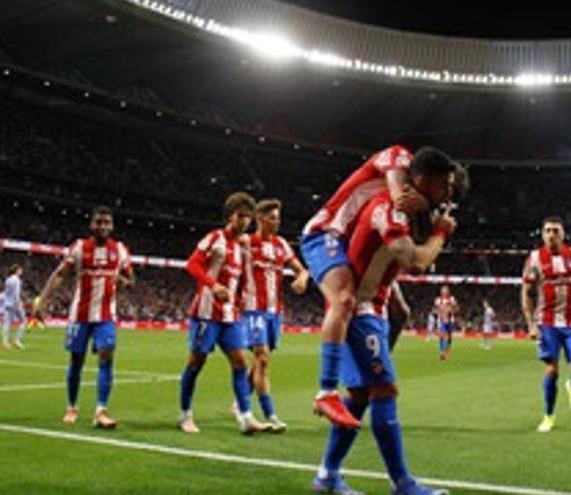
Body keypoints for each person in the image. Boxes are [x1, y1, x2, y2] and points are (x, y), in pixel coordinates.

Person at [312, 146, 457, 495]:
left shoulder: (406, 209)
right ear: (423, 180)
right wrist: (440, 233)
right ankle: (402, 483)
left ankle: (328, 476)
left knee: (362, 394)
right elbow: (416, 262)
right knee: (383, 388)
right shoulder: (389, 206)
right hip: (355, 293)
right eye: (445, 186)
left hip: (375, 302)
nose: (448, 195)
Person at [301, 145, 429, 429]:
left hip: (350, 245)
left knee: (401, 312)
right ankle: (326, 391)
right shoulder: (399, 157)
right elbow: (399, 197)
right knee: (345, 300)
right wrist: (418, 204)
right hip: (326, 234)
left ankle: (374, 367)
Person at [34, 206, 134, 428]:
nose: (103, 226)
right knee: (76, 361)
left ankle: (101, 410)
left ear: (112, 226)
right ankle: (72, 406)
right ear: (92, 225)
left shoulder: (120, 250)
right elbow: (60, 275)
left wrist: (124, 282)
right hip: (79, 316)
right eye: (99, 222)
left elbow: (131, 279)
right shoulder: (80, 248)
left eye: (107, 222)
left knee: (106, 357)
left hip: (106, 316)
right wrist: (43, 300)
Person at [177, 192, 267, 435]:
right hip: (206, 313)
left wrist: (239, 303)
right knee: (196, 363)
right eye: (241, 216)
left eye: (248, 218)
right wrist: (212, 284)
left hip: (230, 316)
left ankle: (246, 416)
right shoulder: (214, 238)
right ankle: (185, 414)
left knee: (240, 362)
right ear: (230, 216)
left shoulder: (242, 247)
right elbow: (192, 264)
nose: (245, 222)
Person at [240, 198, 310, 432]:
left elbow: (301, 269)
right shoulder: (247, 243)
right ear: (259, 219)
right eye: (272, 218)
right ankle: (270, 415)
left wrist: (301, 278)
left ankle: (240, 402)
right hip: (253, 310)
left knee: (259, 362)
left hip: (275, 312)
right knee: (263, 359)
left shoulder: (281, 245)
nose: (277, 222)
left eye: (278, 218)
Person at [521, 216, 571, 433]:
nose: (552, 234)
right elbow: (526, 292)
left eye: (556, 231)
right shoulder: (534, 259)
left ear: (563, 234)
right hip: (547, 323)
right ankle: (549, 416)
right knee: (551, 371)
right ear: (542, 234)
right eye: (548, 230)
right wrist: (531, 324)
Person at [0, 264, 26, 349]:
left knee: (6, 323)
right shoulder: (17, 280)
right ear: (17, 270)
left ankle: (5, 342)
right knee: (23, 321)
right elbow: (16, 293)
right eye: (20, 270)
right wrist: (18, 304)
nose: (21, 271)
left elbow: (6, 292)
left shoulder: (8, 279)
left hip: (7, 303)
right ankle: (17, 340)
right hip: (15, 303)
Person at [433, 286, 458, 360]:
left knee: (449, 336)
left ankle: (447, 349)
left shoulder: (451, 299)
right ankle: (442, 352)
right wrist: (439, 312)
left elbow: (456, 309)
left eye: (445, 290)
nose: (443, 292)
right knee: (442, 335)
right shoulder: (438, 300)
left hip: (450, 320)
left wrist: (451, 309)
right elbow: (435, 309)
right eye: (442, 290)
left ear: (448, 291)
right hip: (441, 320)